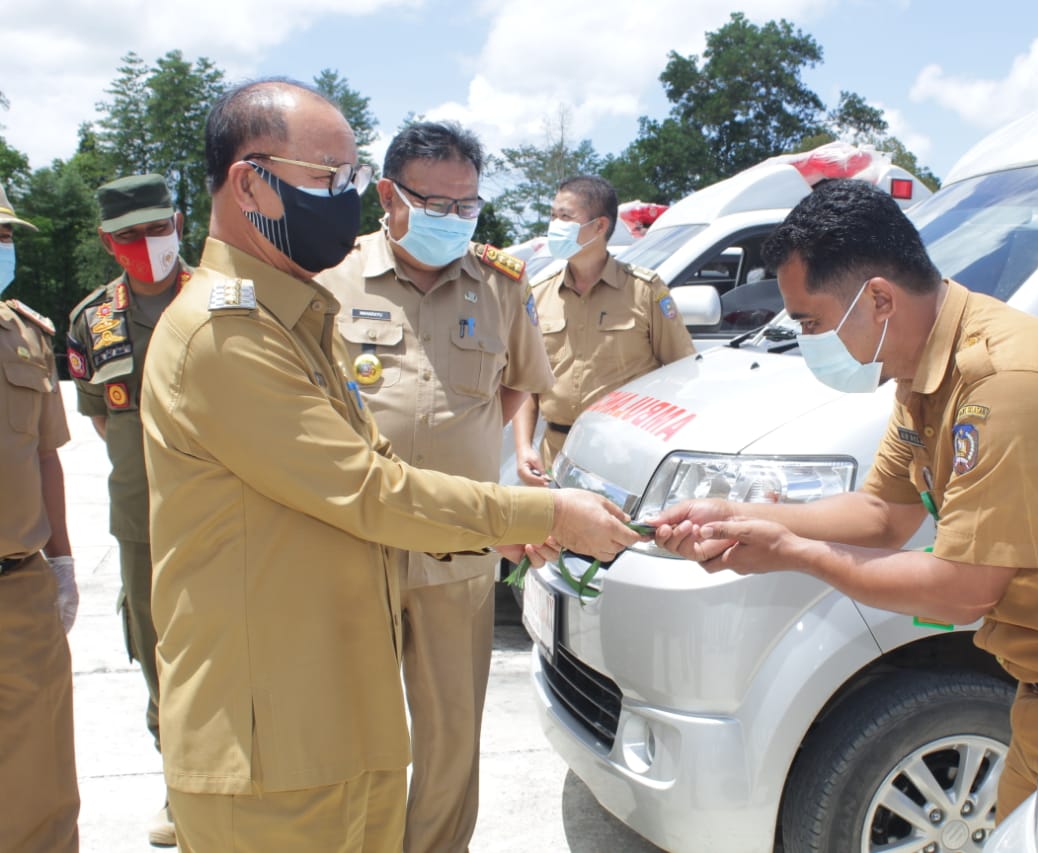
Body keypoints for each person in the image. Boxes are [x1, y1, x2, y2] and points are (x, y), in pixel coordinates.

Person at [139, 78, 639, 852]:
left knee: (445, 751)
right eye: (326, 179)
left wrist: (495, 526)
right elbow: (369, 486)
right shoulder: (229, 331)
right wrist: (546, 514)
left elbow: (382, 454)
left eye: (346, 177)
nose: (340, 201)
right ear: (250, 183)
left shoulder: (294, 312)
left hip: (333, 720)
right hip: (280, 746)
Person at [651, 179, 1038, 820]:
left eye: (811, 323)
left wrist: (793, 552)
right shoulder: (920, 373)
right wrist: (744, 515)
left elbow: (962, 590)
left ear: (879, 299)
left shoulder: (1007, 382)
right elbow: (883, 514)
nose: (806, 341)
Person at [318, 120, 552, 853]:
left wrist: (473, 448)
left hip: (458, 551)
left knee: (452, 734)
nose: (455, 221)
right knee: (354, 727)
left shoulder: (501, 285)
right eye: (436, 204)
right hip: (358, 547)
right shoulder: (330, 278)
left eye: (468, 206)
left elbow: (519, 388)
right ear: (387, 194)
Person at [67, 173, 188, 847]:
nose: (148, 244)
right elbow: (99, 421)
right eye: (129, 235)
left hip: (221, 515)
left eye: (156, 227)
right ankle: (179, 780)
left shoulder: (223, 299)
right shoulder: (92, 319)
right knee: (155, 653)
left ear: (177, 220)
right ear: (107, 243)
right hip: (141, 525)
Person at [513, 176, 695, 485]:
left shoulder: (644, 291)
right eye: (553, 216)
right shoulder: (539, 294)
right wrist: (522, 448)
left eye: (566, 217)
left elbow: (683, 374)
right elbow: (524, 384)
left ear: (599, 227)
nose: (555, 224)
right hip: (554, 456)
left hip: (623, 459)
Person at [0, 185, 80, 851]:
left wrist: (62, 561)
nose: (3, 248)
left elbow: (47, 457)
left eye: (5, 236)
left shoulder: (25, 336)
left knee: (42, 781)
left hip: (18, 585)